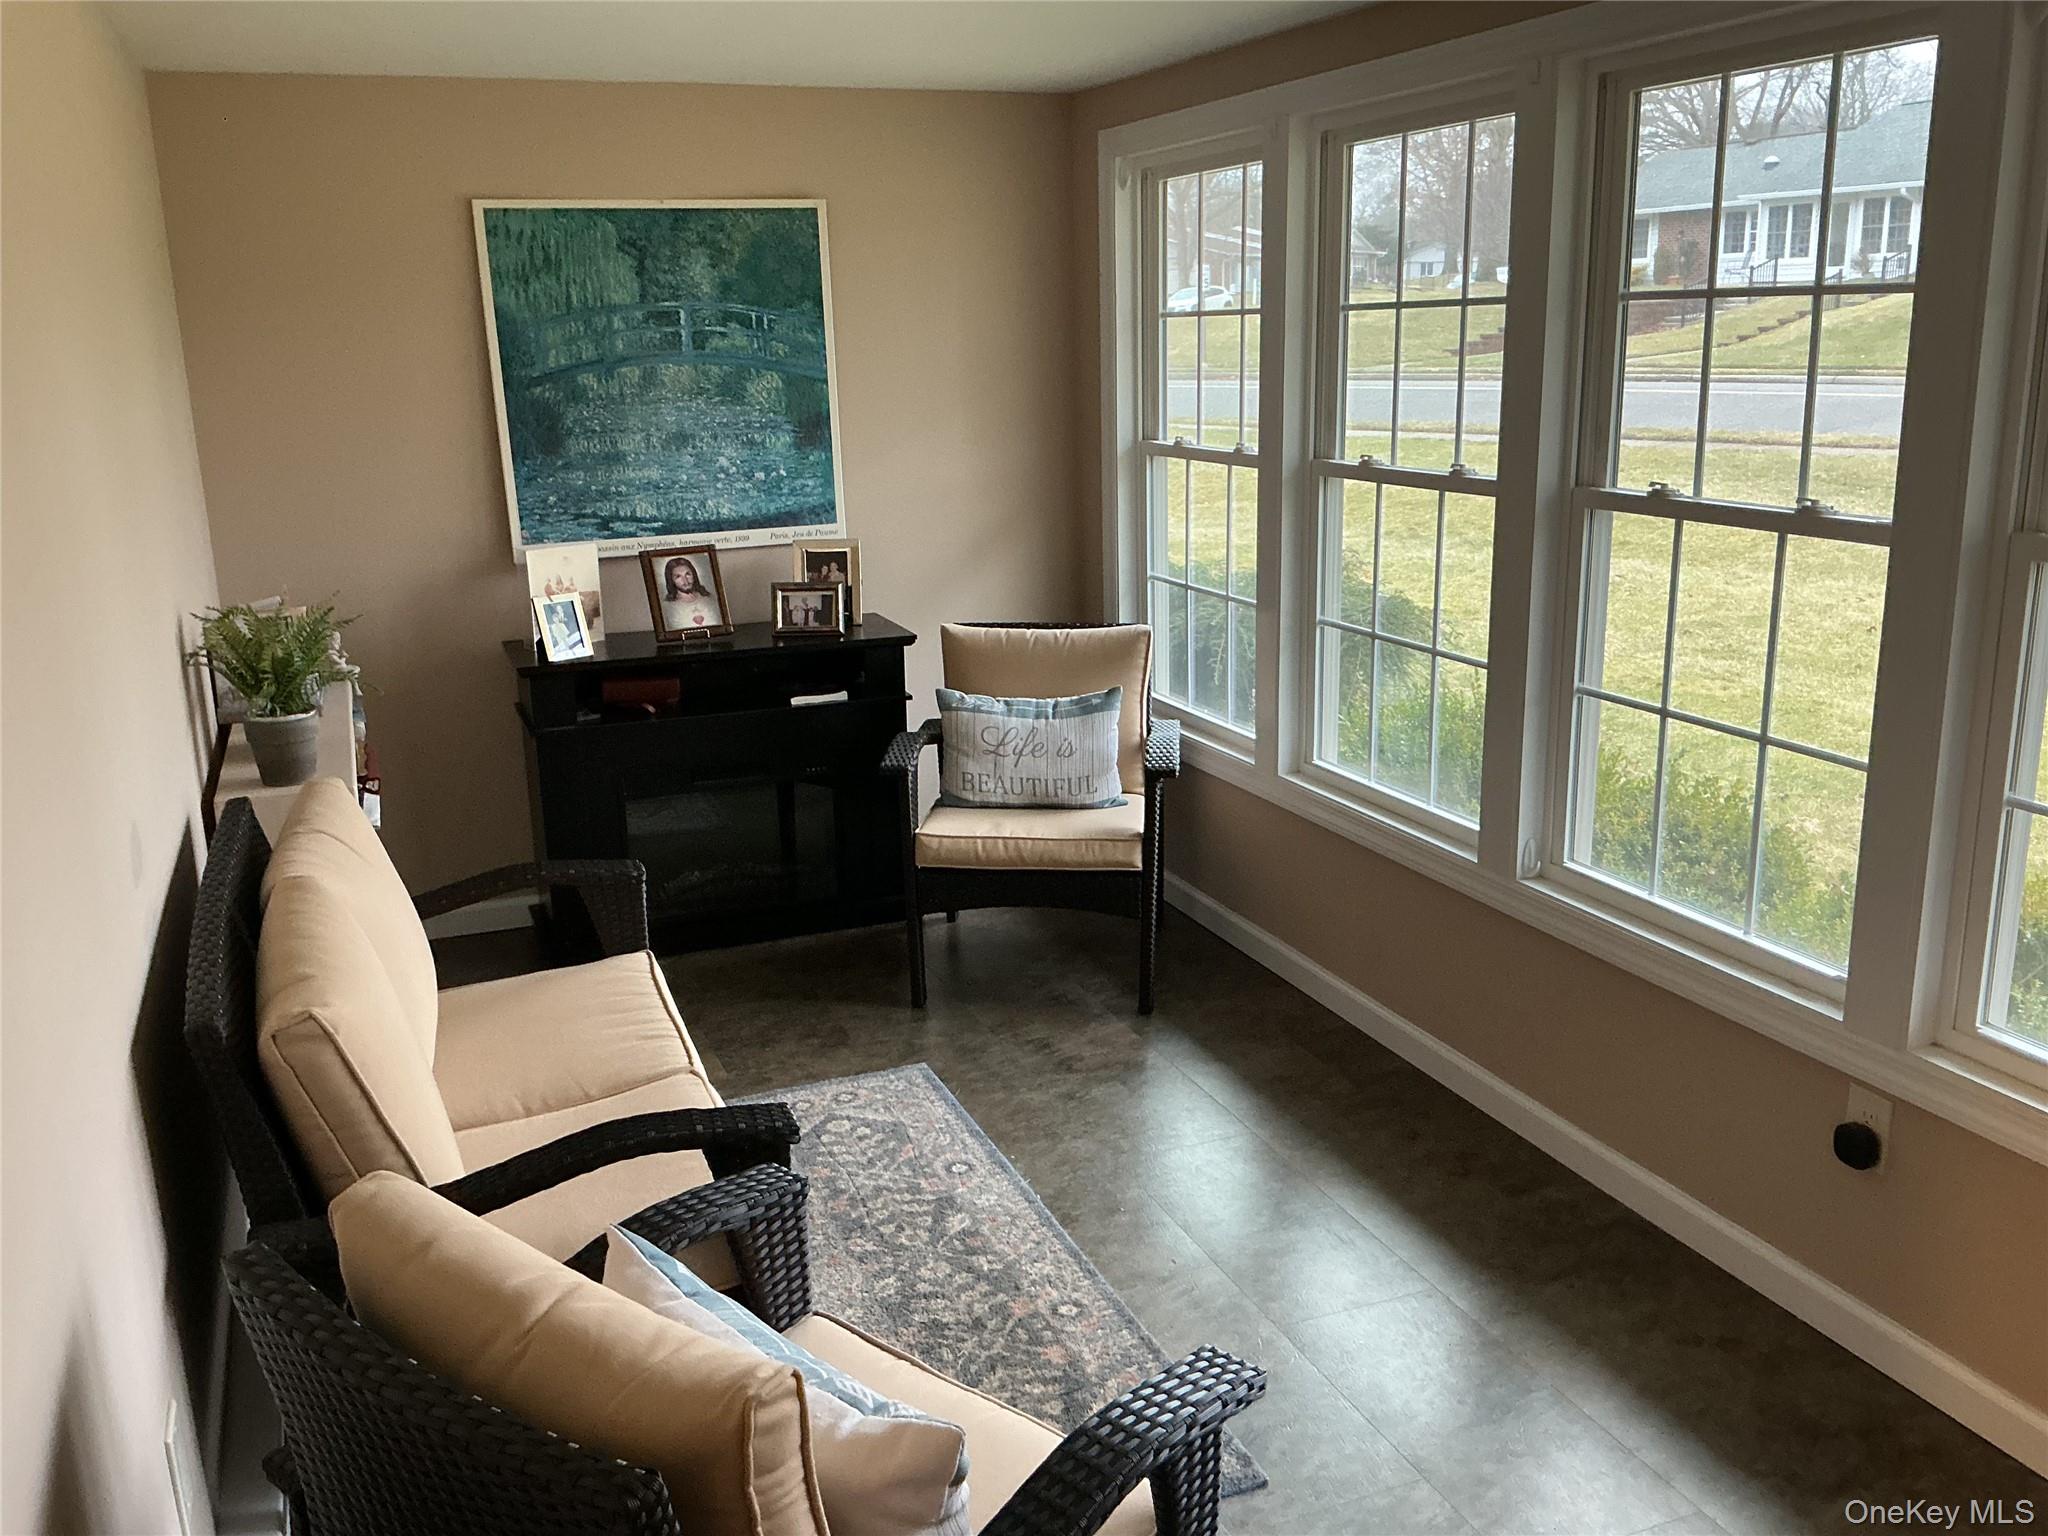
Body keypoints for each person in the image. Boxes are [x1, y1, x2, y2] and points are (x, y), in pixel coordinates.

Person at [661, 556, 721, 630]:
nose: (685, 580)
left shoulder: (709, 599)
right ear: (671, 580)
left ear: (694, 575)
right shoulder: (668, 607)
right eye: (678, 576)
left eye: (688, 574)